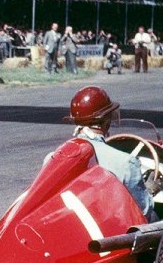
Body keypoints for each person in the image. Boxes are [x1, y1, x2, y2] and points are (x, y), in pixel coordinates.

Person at [65, 86, 156, 221]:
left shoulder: (52, 158)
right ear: (105, 121)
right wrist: (149, 191)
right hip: (111, 232)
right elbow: (143, 212)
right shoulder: (125, 163)